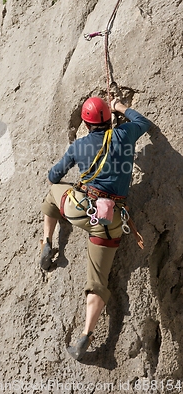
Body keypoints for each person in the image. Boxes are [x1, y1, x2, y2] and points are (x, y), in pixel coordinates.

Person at [40, 96, 151, 360]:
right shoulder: (123, 134)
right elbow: (143, 122)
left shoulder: (79, 145)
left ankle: (47, 242)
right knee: (98, 281)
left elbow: (53, 176)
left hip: (80, 209)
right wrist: (120, 107)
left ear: (87, 124)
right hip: (111, 221)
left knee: (53, 193)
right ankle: (85, 337)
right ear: (108, 119)